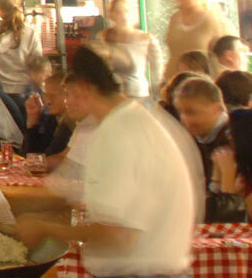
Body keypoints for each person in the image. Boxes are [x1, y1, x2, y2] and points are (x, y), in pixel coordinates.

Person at [15, 45, 197, 274]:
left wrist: (44, 229)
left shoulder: (118, 133)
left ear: (83, 88)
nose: (67, 99)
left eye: (68, 92)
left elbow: (119, 235)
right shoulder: (139, 120)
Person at [171, 75, 248, 221]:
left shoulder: (238, 139)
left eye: (191, 112)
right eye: (181, 112)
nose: (185, 119)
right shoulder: (191, 139)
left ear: (217, 108)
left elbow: (230, 213)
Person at [164, 0, 234, 62]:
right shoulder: (175, 19)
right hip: (175, 74)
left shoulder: (213, 19)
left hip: (202, 73)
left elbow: (227, 52)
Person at [101, 0, 161, 97]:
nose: (123, 16)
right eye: (119, 12)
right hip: (113, 97)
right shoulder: (103, 37)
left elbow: (157, 71)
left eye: (126, 11)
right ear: (111, 16)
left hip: (139, 96)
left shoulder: (146, 38)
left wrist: (157, 93)